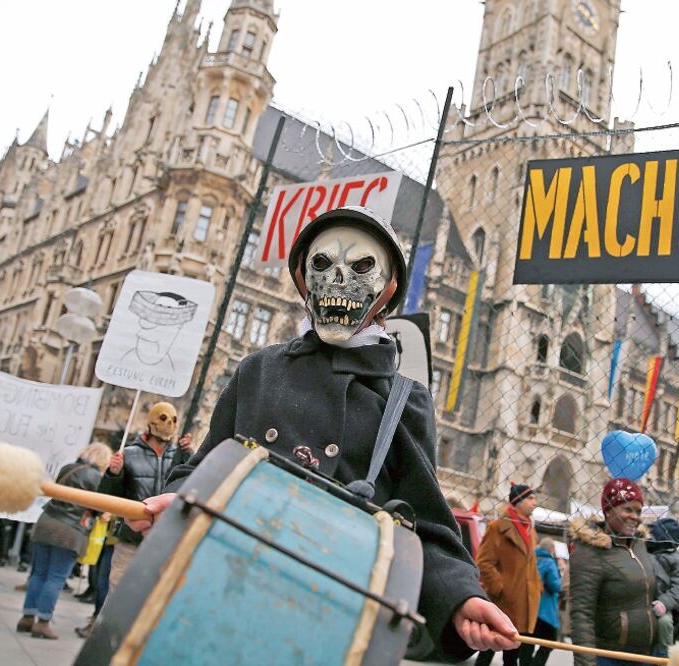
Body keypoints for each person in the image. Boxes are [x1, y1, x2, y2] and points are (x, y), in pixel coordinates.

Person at [126, 206, 519, 662]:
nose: (337, 280)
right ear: (301, 280)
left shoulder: (403, 400)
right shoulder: (259, 371)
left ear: (389, 289)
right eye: (321, 265)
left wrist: (459, 597)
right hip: (223, 597)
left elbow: (428, 526)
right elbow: (201, 472)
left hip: (327, 626)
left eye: (361, 267)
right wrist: (175, 504)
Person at [75, 407, 191, 638]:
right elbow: (107, 498)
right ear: (150, 422)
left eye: (173, 419)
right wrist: (114, 474)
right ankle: (104, 636)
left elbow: (191, 485)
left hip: (165, 541)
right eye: (163, 418)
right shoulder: (128, 453)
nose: (169, 424)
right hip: (131, 537)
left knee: (154, 597)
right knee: (117, 592)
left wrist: (190, 456)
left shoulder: (180, 455)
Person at [17, 442, 110, 639]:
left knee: (38, 573)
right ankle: (43, 622)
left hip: (46, 521)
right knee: (55, 578)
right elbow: (99, 509)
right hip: (70, 530)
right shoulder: (97, 478)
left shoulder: (68, 468)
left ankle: (27, 617)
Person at [569, 477, 656, 666]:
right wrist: (585, 663)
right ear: (608, 510)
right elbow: (582, 614)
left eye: (638, 511)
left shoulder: (639, 545)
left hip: (644, 657)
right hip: (609, 656)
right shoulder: (590, 550)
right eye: (627, 509)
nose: (635, 516)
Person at [475, 483, 542, 666]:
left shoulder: (530, 529)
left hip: (524, 600)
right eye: (530, 498)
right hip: (504, 600)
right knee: (489, 649)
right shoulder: (497, 527)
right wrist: (499, 587)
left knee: (513, 653)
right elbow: (483, 562)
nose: (535, 502)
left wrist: (537, 587)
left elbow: (531, 565)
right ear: (517, 501)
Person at [646, 517, 679, 657]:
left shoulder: (677, 560)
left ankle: (663, 654)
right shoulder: (642, 551)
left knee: (664, 622)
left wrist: (665, 602)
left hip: (660, 604)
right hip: (638, 599)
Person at [519, 537, 563, 666]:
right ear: (551, 549)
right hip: (545, 611)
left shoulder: (531, 560)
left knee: (528, 642)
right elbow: (555, 585)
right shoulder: (549, 563)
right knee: (550, 642)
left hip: (530, 608)